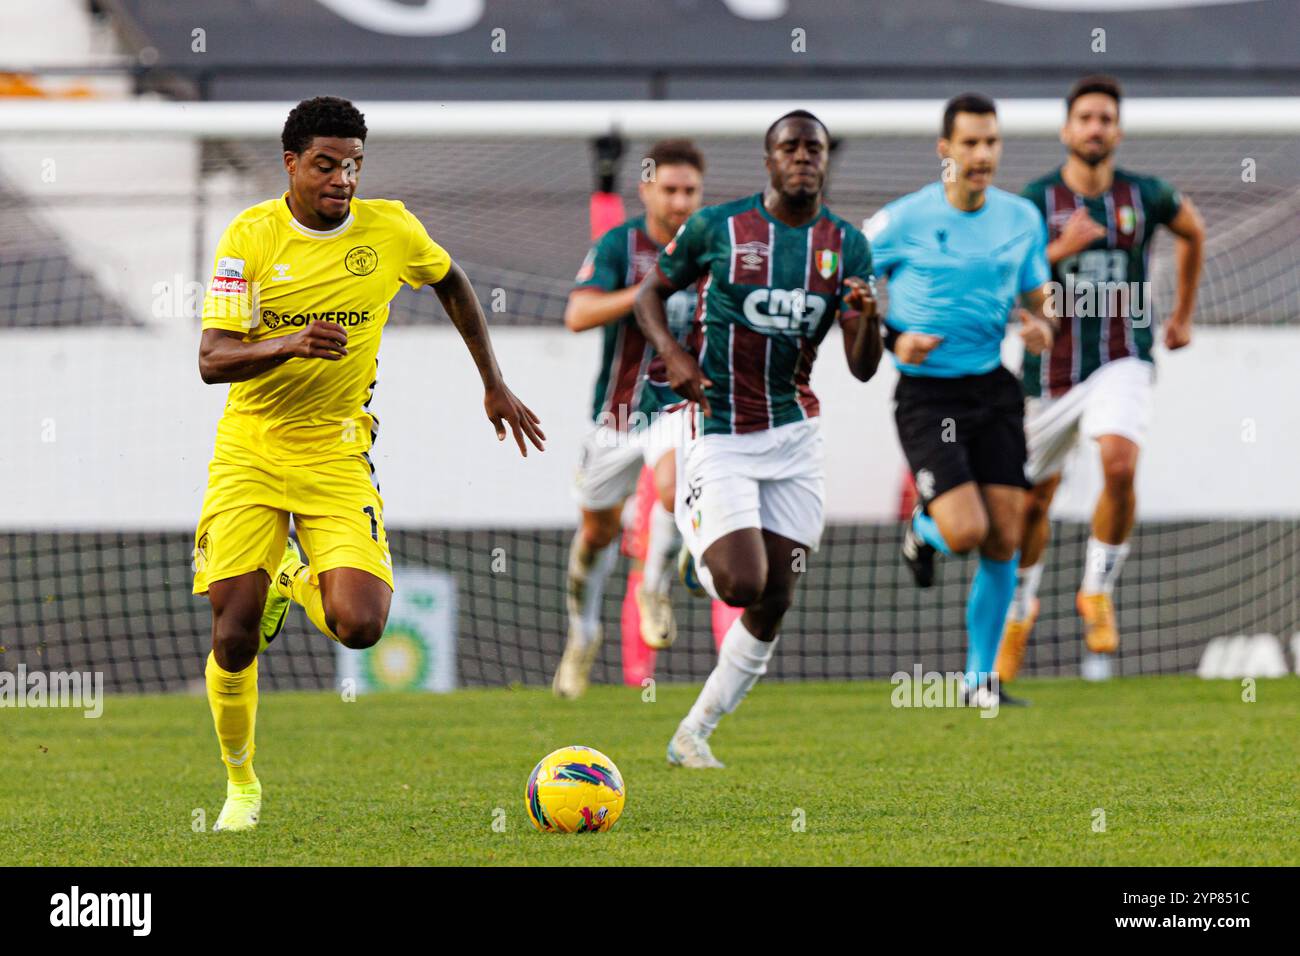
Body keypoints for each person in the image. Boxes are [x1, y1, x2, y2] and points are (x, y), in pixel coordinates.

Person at [193, 97, 544, 831]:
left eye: (353, 164)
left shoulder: (391, 228)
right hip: (251, 447)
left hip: (336, 448)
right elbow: (212, 359)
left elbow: (451, 282)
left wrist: (493, 381)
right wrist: (284, 344)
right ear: (290, 162)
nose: (342, 179)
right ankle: (241, 787)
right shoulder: (248, 239)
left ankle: (293, 573)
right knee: (233, 634)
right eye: (326, 164)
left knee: (361, 626)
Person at [635, 110, 881, 768]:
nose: (803, 157)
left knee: (778, 594)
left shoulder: (848, 247)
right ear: (768, 160)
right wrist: (675, 359)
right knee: (743, 582)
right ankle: (696, 553)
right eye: (789, 147)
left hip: (795, 432)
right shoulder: (720, 228)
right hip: (720, 425)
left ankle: (694, 732)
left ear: (826, 160)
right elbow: (648, 295)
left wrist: (870, 319)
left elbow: (862, 366)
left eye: (815, 148)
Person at [996, 75, 1204, 681]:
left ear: (1117, 129)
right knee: (1032, 503)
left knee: (1118, 463)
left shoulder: (1146, 196)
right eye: (1085, 117)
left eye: (1105, 118)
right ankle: (1016, 614)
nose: (1095, 127)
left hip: (1123, 356)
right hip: (1048, 375)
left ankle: (1096, 589)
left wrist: (1182, 316)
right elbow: (1003, 274)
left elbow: (1193, 230)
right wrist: (1056, 252)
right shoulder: (1036, 201)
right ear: (1066, 129)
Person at [866, 93, 1056, 706]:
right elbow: (850, 295)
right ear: (944, 149)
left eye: (992, 142)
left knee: (1007, 535)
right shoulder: (901, 221)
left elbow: (1039, 297)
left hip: (992, 388)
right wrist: (896, 337)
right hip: (928, 396)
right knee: (968, 530)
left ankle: (981, 683)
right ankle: (924, 530)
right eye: (970, 143)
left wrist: (1041, 324)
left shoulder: (1021, 218)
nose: (982, 155)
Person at [553, 139, 706, 698]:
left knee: (671, 486)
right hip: (615, 415)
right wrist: (643, 293)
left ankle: (653, 587)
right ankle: (582, 636)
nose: (680, 200)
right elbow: (577, 314)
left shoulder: (712, 247)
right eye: (669, 188)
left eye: (690, 189)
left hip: (679, 407)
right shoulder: (622, 244)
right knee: (598, 531)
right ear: (645, 190)